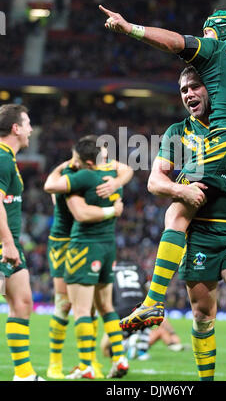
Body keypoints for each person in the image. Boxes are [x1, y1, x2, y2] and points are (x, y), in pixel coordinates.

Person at [99, 6, 226, 359]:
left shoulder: (216, 53)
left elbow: (175, 42)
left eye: (194, 87)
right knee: (208, 311)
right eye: (183, 90)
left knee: (177, 215)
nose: (188, 95)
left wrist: (130, 28)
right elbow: (156, 181)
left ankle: (154, 302)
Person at [44, 136, 133, 379]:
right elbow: (60, 195)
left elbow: (125, 169)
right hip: (64, 242)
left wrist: (116, 183)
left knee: (90, 307)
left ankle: (90, 362)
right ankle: (55, 363)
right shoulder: (74, 172)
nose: (109, 158)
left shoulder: (96, 172)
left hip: (84, 242)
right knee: (65, 304)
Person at [0, 104, 44, 381]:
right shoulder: (2, 159)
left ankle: (24, 375)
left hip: (10, 242)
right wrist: (8, 243)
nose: (30, 129)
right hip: (5, 244)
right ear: (16, 128)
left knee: (23, 302)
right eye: (27, 123)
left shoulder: (8, 158)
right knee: (20, 302)